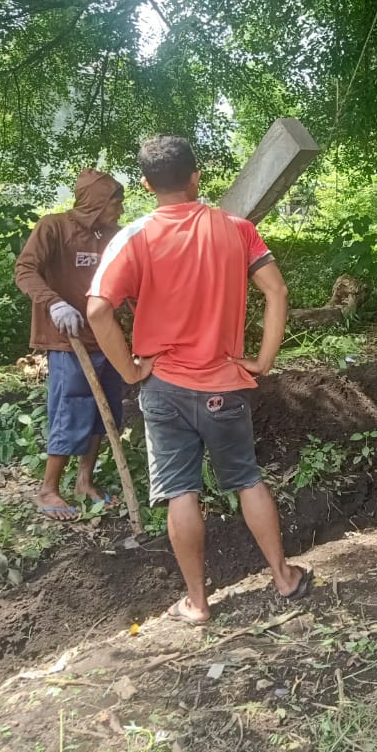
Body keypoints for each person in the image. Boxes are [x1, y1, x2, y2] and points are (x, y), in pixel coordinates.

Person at [86, 136, 310, 625]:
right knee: (246, 480)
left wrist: (130, 371)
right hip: (224, 385)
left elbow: (98, 309)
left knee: (181, 493)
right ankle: (284, 578)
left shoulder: (134, 237)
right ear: (196, 177)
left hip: (164, 387)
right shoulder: (238, 229)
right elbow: (276, 290)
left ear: (146, 185)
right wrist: (264, 359)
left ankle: (198, 603)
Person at [14, 169, 126, 520]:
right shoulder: (54, 227)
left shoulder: (114, 236)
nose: (120, 210)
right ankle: (48, 490)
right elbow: (25, 269)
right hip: (67, 338)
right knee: (71, 410)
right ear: (96, 203)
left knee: (104, 411)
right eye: (116, 203)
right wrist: (54, 303)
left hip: (105, 336)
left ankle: (84, 482)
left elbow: (131, 281)